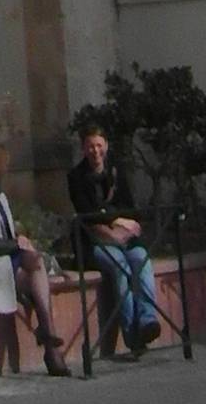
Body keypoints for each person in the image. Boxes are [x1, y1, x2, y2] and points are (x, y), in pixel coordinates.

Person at [0, 143, 71, 379]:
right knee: (30, 266)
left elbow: (7, 235)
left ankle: (47, 335)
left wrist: (19, 239)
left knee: (35, 262)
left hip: (4, 257)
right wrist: (16, 245)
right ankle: (50, 345)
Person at [66, 119, 161, 359]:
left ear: (106, 146)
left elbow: (132, 210)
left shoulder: (117, 172)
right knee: (120, 267)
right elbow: (87, 213)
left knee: (141, 260)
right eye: (90, 146)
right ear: (83, 148)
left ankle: (147, 320)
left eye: (99, 145)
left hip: (125, 238)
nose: (95, 151)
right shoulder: (76, 177)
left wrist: (114, 220)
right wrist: (116, 221)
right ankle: (132, 333)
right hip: (95, 241)